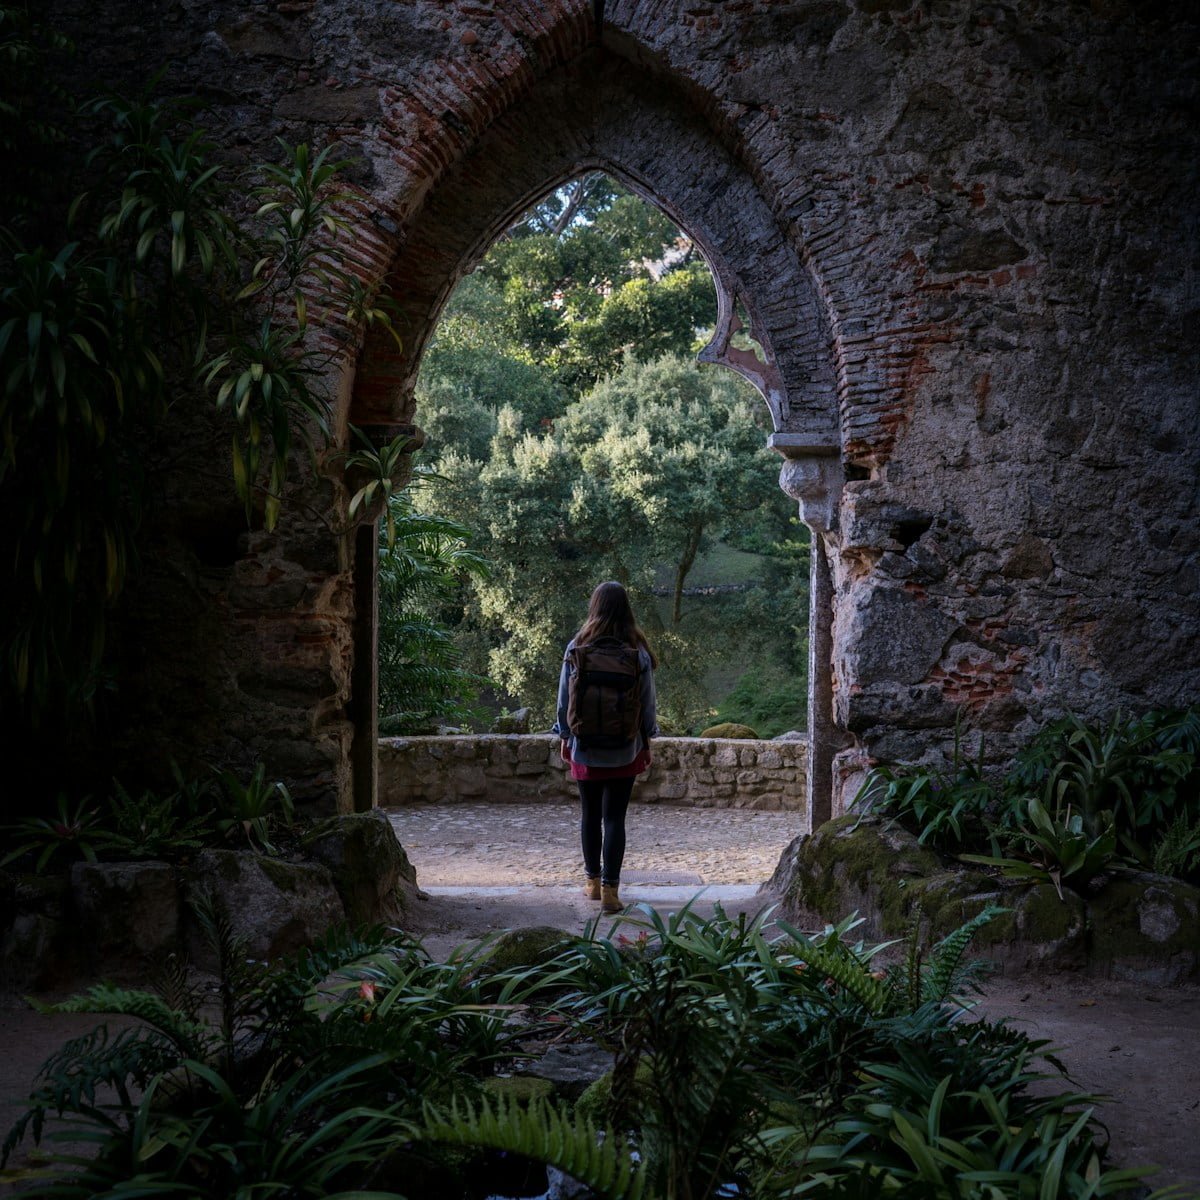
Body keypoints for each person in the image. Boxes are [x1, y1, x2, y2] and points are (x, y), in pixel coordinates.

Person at [552, 581, 658, 914]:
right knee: (615, 817)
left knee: (589, 814)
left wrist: (565, 736)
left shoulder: (577, 647)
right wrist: (647, 739)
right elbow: (647, 702)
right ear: (626, 608)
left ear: (594, 607)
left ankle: (592, 884)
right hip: (626, 747)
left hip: (585, 746)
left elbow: (564, 699)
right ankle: (612, 891)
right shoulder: (637, 650)